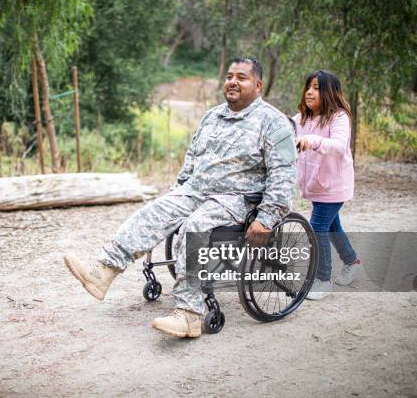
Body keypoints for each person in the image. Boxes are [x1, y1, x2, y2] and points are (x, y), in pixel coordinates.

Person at [64, 57, 297, 338]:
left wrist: (268, 218)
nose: (233, 82)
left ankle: (188, 315)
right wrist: (178, 190)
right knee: (155, 210)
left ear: (257, 85)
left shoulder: (274, 122)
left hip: (237, 199)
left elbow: (284, 175)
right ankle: (104, 271)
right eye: (229, 76)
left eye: (242, 77)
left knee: (194, 227)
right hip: (196, 190)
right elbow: (192, 158)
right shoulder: (212, 116)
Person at [293, 70, 362, 300]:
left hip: (334, 186)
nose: (310, 92)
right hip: (317, 185)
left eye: (317, 87)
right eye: (308, 87)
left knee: (317, 227)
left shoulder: (338, 117)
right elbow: (284, 131)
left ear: (329, 92)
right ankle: (353, 261)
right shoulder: (302, 118)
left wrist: (311, 141)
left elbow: (339, 145)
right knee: (332, 227)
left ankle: (323, 279)